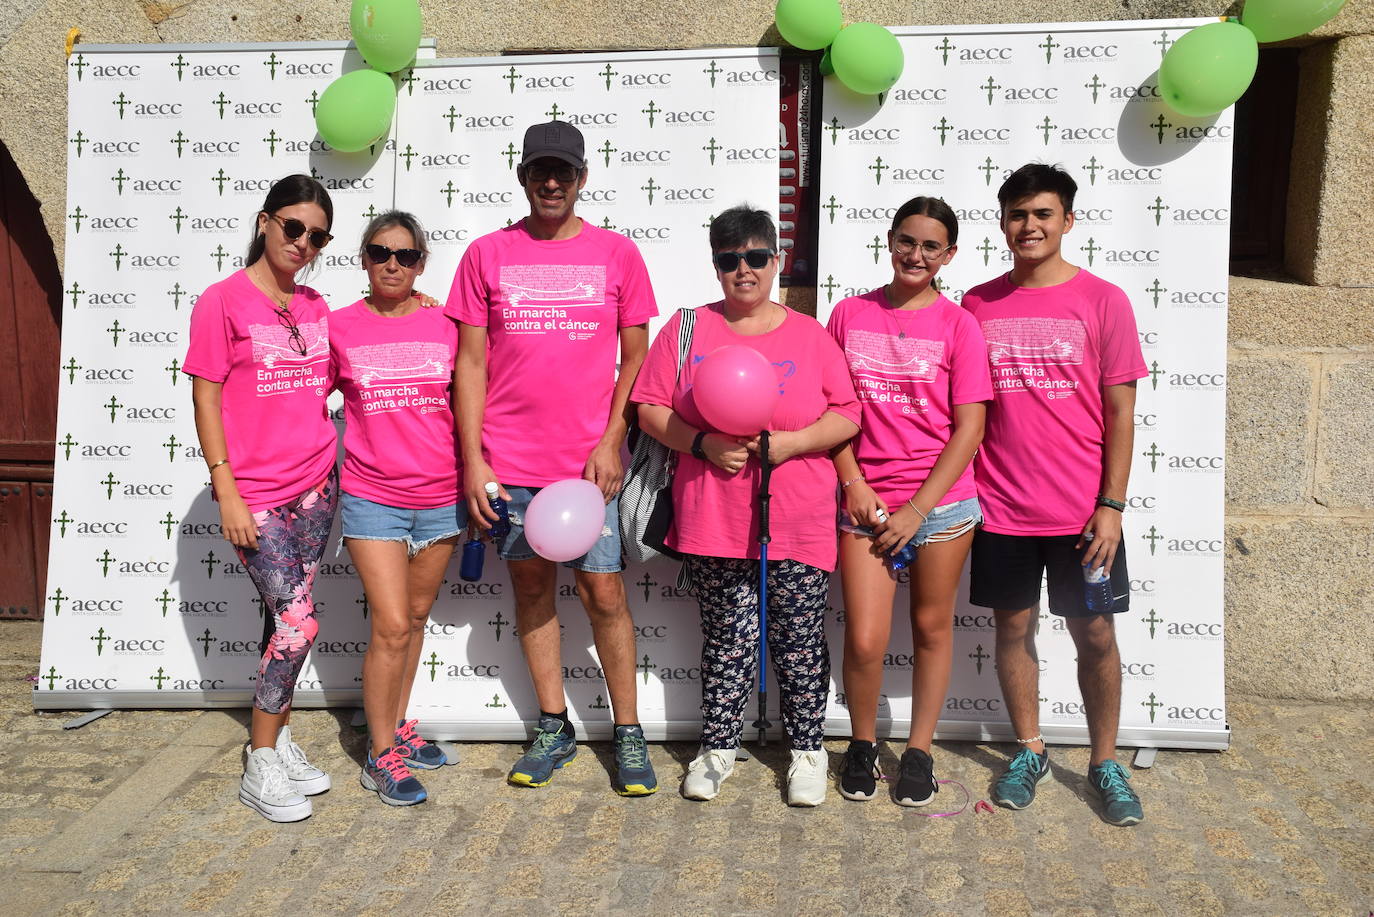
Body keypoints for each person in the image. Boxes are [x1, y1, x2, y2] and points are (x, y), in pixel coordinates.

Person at [447, 120, 660, 796]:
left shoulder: (617, 254)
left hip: (587, 468)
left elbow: (637, 358)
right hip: (508, 464)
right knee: (532, 587)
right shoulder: (487, 254)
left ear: (581, 179)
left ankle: (628, 733)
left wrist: (610, 442)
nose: (551, 182)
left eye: (563, 172)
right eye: (540, 170)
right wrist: (474, 459)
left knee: (603, 591)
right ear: (523, 176)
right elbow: (471, 362)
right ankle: (552, 724)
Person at [633, 205, 860, 807]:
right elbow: (651, 408)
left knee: (799, 635)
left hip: (799, 513)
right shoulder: (687, 329)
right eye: (729, 260)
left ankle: (808, 750)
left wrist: (791, 443)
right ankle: (718, 746)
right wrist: (703, 443)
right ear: (715, 265)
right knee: (727, 636)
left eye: (756, 258)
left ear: (776, 261)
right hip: (714, 513)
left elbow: (847, 413)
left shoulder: (810, 334)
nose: (743, 270)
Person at [963, 163, 1147, 826]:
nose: (1030, 225)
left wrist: (1113, 505)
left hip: (1084, 515)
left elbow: (1122, 413)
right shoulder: (976, 304)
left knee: (1095, 633)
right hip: (1002, 509)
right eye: (1018, 213)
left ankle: (1104, 761)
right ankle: (1030, 748)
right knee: (1012, 628)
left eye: (1043, 213)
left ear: (1068, 221)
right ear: (1003, 222)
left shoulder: (1104, 301)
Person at [826, 196, 991, 806]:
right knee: (866, 639)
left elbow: (968, 429)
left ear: (948, 256)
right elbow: (829, 411)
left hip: (941, 506)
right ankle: (862, 745)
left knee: (930, 628)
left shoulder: (959, 325)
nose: (914, 255)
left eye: (930, 247)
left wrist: (919, 509)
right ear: (889, 241)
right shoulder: (848, 314)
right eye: (905, 241)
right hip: (864, 505)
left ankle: (919, 749)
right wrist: (854, 482)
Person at [184, 174, 338, 823]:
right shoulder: (222, 302)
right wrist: (227, 490)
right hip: (257, 496)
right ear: (264, 221)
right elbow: (206, 395)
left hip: (317, 485)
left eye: (318, 236)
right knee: (299, 622)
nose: (303, 243)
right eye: (293, 227)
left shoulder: (315, 305)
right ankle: (260, 758)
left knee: (284, 624)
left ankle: (279, 738)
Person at [330, 211, 460, 806]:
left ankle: (397, 728)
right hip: (372, 496)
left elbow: (479, 395)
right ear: (362, 257)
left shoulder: (447, 323)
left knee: (413, 619)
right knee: (389, 625)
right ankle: (379, 755)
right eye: (381, 252)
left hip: (440, 497)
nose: (392, 263)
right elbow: (299, 397)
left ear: (421, 264)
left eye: (406, 256)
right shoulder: (339, 327)